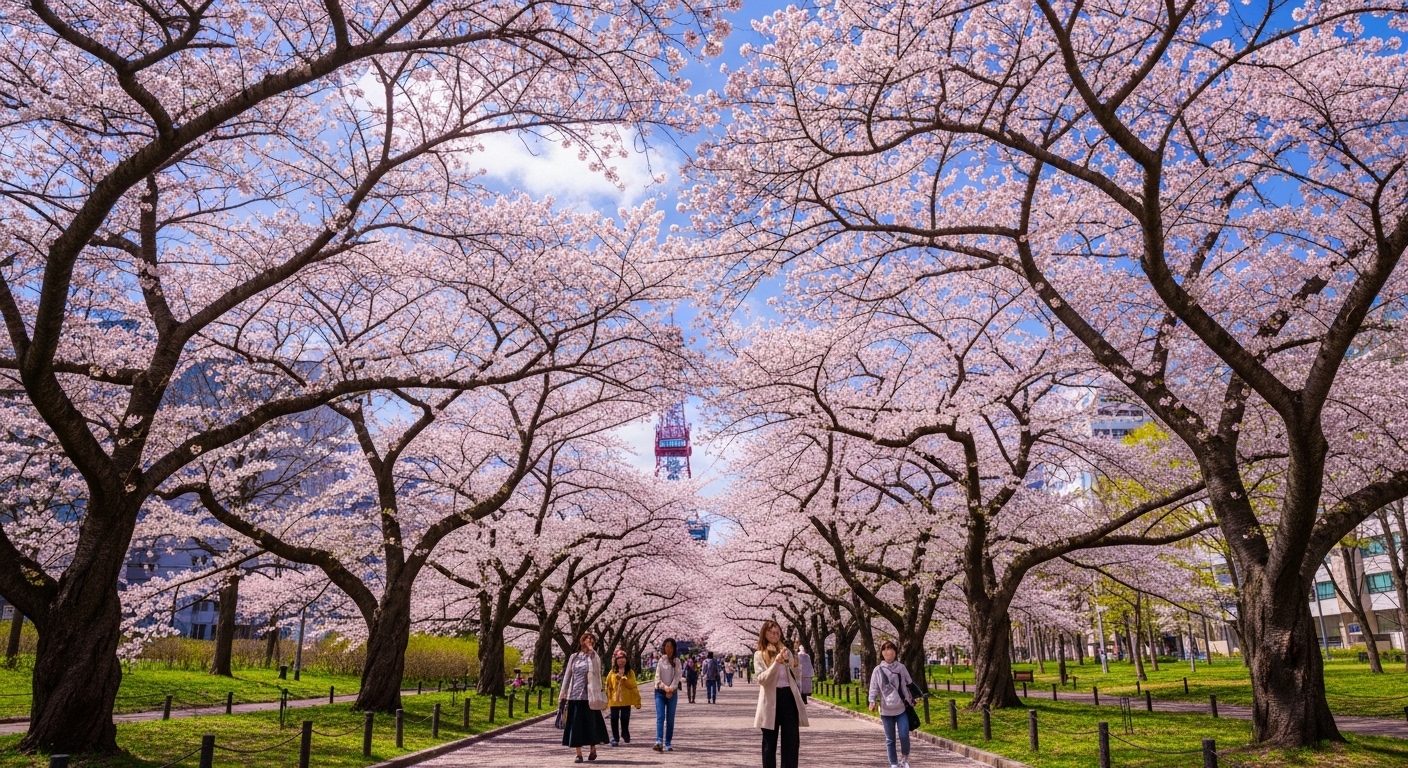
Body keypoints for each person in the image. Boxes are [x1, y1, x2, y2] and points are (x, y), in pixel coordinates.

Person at [754, 620, 809, 768]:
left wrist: (794, 661)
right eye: (772, 632)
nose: (775, 635)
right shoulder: (759, 655)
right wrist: (776, 663)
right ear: (765, 634)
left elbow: (796, 675)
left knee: (791, 742)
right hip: (770, 701)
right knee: (769, 744)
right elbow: (762, 679)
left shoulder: (785, 651)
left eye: (777, 632)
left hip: (788, 699)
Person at [559, 632, 610, 763]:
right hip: (575, 695)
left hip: (590, 696)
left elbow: (598, 670)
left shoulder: (594, 657)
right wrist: (563, 692)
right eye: (586, 640)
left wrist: (592, 652)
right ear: (581, 642)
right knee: (575, 725)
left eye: (591, 640)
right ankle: (578, 754)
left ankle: (593, 749)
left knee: (591, 724)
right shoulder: (574, 657)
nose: (589, 642)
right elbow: (568, 675)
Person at [868, 640, 917, 768]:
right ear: (881, 653)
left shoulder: (901, 668)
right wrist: (872, 701)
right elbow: (873, 687)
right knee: (890, 739)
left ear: (895, 652)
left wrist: (912, 698)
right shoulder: (877, 670)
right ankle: (894, 763)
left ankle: (904, 759)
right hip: (886, 709)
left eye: (890, 648)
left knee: (904, 735)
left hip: (901, 708)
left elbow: (909, 684)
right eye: (884, 649)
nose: (887, 651)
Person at [604, 649, 641, 747]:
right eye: (619, 659)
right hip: (615, 699)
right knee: (614, 718)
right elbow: (608, 684)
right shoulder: (612, 672)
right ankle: (615, 737)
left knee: (625, 717)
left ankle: (625, 733)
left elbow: (632, 684)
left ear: (626, 660)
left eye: (623, 659)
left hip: (626, 699)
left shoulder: (630, 672)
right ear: (616, 661)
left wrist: (624, 680)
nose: (621, 661)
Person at [653, 638, 682, 752]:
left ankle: (668, 743)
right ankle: (658, 741)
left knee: (670, 718)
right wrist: (665, 688)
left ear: (674, 648)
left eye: (671, 647)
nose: (668, 649)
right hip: (660, 692)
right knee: (660, 717)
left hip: (672, 693)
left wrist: (671, 689)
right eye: (667, 647)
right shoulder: (661, 660)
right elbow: (657, 677)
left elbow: (677, 677)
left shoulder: (677, 661)